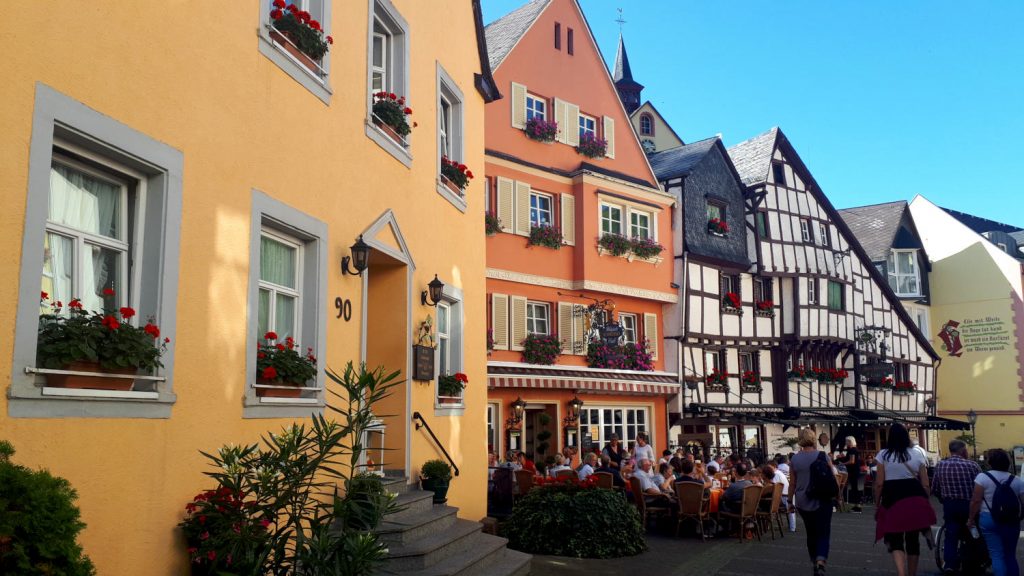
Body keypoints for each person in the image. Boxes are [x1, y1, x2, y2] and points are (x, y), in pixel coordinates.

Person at [874, 423, 936, 576]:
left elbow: (880, 483)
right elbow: (926, 483)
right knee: (912, 540)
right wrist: (925, 501)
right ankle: (912, 573)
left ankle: (901, 573)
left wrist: (877, 503)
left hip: (892, 499)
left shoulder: (883, 455)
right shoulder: (918, 454)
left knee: (895, 540)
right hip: (914, 497)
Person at [968, 448, 1024, 576]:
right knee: (1010, 555)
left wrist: (970, 519)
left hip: (988, 518)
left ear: (990, 462)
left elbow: (976, 501)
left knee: (996, 554)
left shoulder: (982, 478)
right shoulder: (1016, 480)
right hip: (1011, 521)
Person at [932, 438, 982, 574]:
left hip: (950, 505)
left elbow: (935, 488)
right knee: (972, 532)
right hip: (969, 504)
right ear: (963, 450)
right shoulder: (973, 466)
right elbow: (980, 488)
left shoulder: (940, 465)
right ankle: (971, 562)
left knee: (951, 534)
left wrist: (943, 499)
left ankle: (949, 564)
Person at [791, 427, 835, 575]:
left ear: (801, 441)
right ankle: (820, 561)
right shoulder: (823, 456)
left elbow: (792, 483)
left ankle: (813, 559)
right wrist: (838, 494)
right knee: (823, 530)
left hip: (803, 500)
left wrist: (790, 501)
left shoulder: (794, 459)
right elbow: (832, 477)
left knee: (811, 532)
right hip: (823, 499)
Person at [837, 436, 863, 512]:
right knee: (855, 488)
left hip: (853, 471)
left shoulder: (852, 450)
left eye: (847, 441)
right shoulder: (853, 450)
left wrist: (842, 464)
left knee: (854, 488)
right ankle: (856, 505)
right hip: (854, 471)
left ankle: (857, 506)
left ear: (850, 441)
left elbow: (852, 461)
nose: (846, 443)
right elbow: (850, 459)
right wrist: (842, 457)